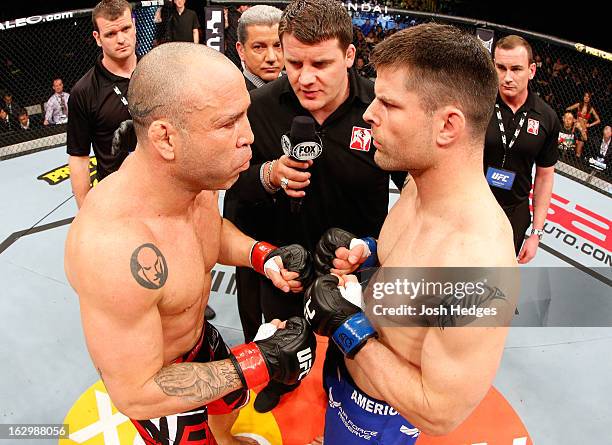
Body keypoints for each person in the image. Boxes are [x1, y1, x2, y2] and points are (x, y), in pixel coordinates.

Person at [65, 42, 316, 445]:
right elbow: (135, 392)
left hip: (201, 336)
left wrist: (262, 256)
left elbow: (208, 233)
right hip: (160, 381)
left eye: (244, 117)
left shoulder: (196, 179)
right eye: (226, 124)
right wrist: (258, 360)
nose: (248, 137)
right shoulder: (111, 246)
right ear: (166, 137)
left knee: (229, 408)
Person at [306, 23, 518, 444]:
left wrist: (348, 328)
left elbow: (439, 412)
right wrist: (365, 253)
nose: (369, 113)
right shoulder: (417, 183)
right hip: (346, 377)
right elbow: (403, 264)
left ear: (447, 127)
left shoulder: (477, 265)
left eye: (388, 103)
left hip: (382, 416)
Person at [224, 0, 406, 412]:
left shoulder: (381, 108)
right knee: (281, 351)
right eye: (294, 63)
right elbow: (230, 185)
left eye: (321, 64)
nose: (305, 78)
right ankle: (283, 385)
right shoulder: (260, 106)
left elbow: (416, 190)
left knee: (352, 363)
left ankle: (340, 389)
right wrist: (268, 174)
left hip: (353, 265)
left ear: (349, 56)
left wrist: (377, 246)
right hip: (284, 264)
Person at [483, 35, 559, 263]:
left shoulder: (547, 118)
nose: (507, 77)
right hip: (473, 202)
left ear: (531, 70)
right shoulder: (478, 103)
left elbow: (545, 176)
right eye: (501, 68)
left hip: (514, 210)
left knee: (496, 278)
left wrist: (536, 233)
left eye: (516, 69)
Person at [67, 0, 138, 209]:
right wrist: (86, 214)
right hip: (117, 201)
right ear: (97, 38)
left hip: (165, 194)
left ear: (134, 25)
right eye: (111, 34)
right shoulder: (84, 92)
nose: (121, 39)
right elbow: (79, 158)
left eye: (126, 28)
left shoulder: (157, 72)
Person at [235, 5, 284, 91]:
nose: (271, 58)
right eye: (259, 47)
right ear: (241, 51)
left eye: (278, 45)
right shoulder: (228, 96)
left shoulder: (300, 89)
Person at [566, 92, 601, 156]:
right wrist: (572, 118)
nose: (586, 98)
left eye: (588, 97)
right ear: (583, 97)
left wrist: (590, 125)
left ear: (590, 99)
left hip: (583, 130)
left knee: (578, 153)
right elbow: (567, 109)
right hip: (575, 128)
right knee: (569, 148)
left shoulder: (591, 109)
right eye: (585, 96)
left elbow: (598, 120)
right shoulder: (579, 105)